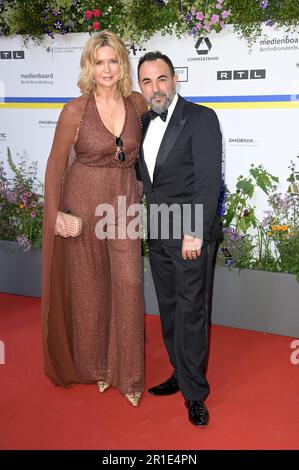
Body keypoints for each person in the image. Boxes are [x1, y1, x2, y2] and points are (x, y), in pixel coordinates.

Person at [41, 31, 148, 407]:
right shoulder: (75, 110)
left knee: (129, 284)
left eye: (113, 60)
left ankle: (129, 375)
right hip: (82, 207)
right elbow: (54, 168)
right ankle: (98, 368)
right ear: (89, 65)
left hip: (124, 205)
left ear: (122, 64)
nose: (106, 68)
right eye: (99, 61)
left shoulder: (137, 104)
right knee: (90, 289)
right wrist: (55, 214)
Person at [137, 52, 222, 425]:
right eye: (146, 81)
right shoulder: (142, 122)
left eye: (161, 79)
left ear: (175, 80)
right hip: (157, 232)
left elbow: (207, 182)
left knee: (191, 313)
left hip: (189, 234)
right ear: (140, 87)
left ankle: (195, 392)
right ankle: (179, 372)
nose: (155, 88)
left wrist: (195, 234)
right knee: (170, 309)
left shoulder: (201, 118)